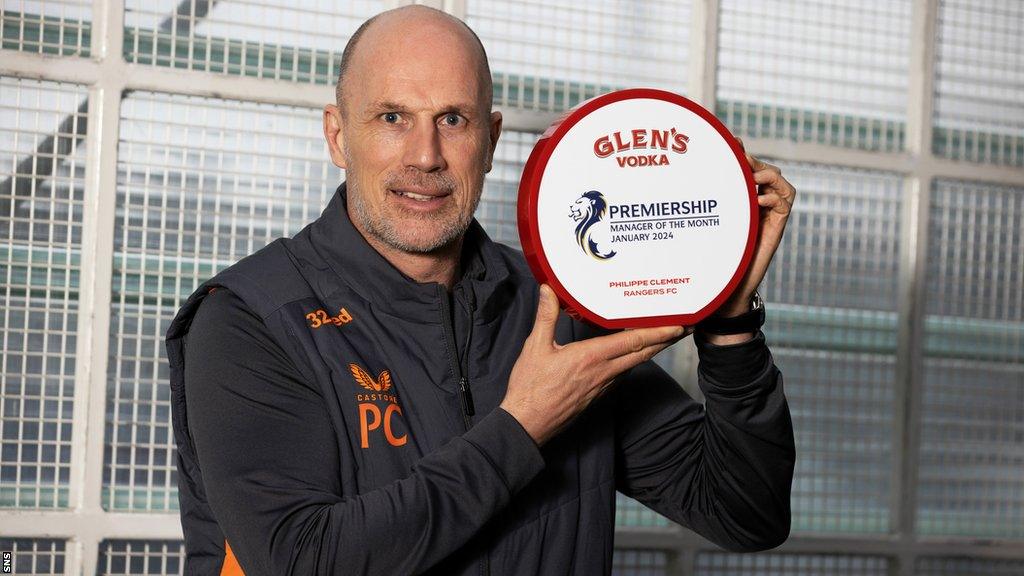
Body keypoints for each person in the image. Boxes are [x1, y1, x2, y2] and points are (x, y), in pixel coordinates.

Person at [165, 5, 797, 575]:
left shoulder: (559, 306)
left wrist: (730, 327)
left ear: (491, 140)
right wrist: (522, 425)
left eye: (453, 119)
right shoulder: (253, 319)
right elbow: (300, 560)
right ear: (337, 135)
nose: (427, 155)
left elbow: (745, 513)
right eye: (393, 118)